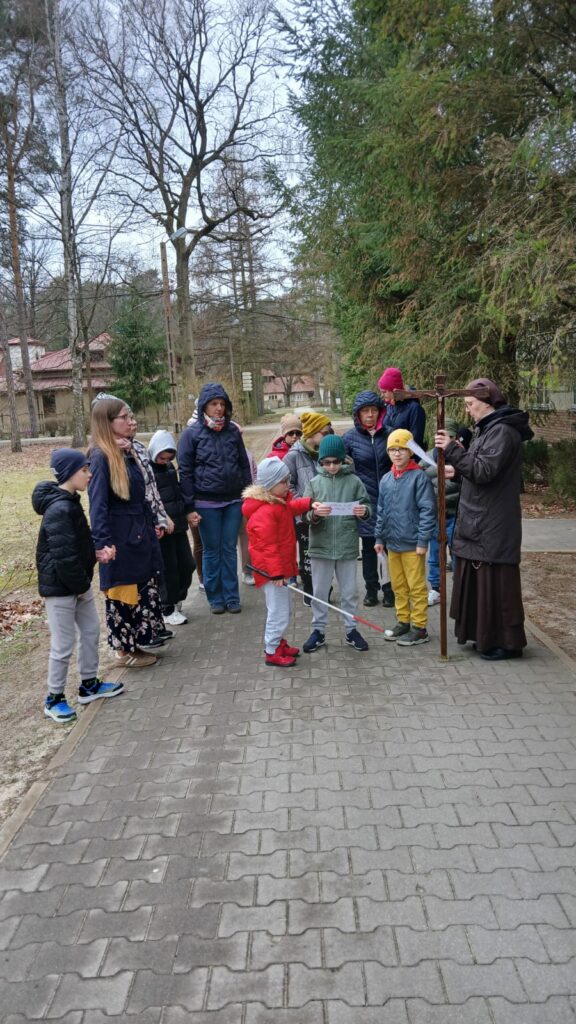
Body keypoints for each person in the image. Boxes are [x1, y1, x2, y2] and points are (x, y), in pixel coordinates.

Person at [435, 377, 533, 660]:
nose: (468, 410)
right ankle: (482, 636)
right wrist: (459, 471)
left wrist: (452, 449)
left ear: (487, 402)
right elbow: (480, 472)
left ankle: (505, 642)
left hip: (493, 523)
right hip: (481, 518)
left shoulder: (502, 432)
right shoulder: (488, 430)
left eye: (471, 404)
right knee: (480, 583)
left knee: (496, 585)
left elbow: (485, 472)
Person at [33, 449, 123, 723]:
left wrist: (95, 554)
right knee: (63, 645)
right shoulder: (59, 509)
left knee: (90, 631)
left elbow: (75, 546)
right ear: (70, 474)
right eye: (84, 470)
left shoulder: (70, 501)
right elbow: (63, 556)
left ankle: (89, 685)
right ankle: (54, 698)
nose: (90, 474)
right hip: (62, 588)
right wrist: (82, 584)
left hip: (78, 583)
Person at [88, 397, 165, 668]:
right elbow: (97, 505)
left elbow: (141, 492)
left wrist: (153, 520)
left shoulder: (126, 450)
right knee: (124, 593)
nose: (131, 421)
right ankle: (125, 651)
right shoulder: (100, 457)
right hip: (120, 539)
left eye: (131, 415)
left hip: (138, 532)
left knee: (142, 589)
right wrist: (103, 543)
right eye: (124, 417)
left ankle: (139, 643)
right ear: (107, 423)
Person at [177, 382, 253, 614]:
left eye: (222, 404)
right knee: (212, 550)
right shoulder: (191, 434)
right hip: (205, 503)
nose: (218, 408)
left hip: (232, 501)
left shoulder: (232, 432)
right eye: (213, 404)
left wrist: (248, 493)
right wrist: (189, 506)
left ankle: (232, 596)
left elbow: (243, 464)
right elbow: (185, 471)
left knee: (229, 548)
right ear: (204, 407)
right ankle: (215, 597)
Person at [242, 456, 317, 667]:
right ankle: (272, 650)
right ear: (269, 485)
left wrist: (310, 503)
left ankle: (279, 642)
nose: (288, 485)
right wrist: (276, 574)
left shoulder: (278, 503)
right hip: (272, 573)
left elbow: (292, 508)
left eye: (288, 480)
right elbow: (268, 547)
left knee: (285, 609)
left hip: (281, 569)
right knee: (278, 612)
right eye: (283, 482)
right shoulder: (264, 512)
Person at [302, 434, 372, 653]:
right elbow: (303, 514)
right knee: (319, 592)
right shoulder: (314, 483)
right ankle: (318, 630)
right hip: (320, 547)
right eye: (327, 462)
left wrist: (364, 512)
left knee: (350, 592)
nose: (332, 466)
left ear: (343, 460)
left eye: (336, 461)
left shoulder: (354, 481)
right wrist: (314, 514)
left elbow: (367, 506)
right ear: (321, 462)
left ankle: (351, 629)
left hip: (346, 545)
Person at [374, 429, 437, 646]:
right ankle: (403, 621)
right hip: (393, 544)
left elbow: (428, 510)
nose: (397, 454)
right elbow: (381, 511)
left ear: (410, 451)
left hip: (412, 545)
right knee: (398, 585)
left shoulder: (419, 477)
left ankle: (419, 627)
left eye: (402, 449)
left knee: (416, 586)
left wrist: (422, 541)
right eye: (393, 449)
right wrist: (379, 538)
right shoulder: (386, 479)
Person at [342, 390, 394, 608]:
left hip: (390, 499)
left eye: (374, 410)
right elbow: (343, 469)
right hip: (365, 501)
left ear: (380, 412)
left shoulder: (390, 434)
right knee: (370, 547)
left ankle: (390, 589)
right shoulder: (349, 438)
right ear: (358, 415)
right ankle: (371, 590)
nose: (370, 415)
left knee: (391, 548)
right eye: (365, 411)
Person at [284, 411, 333, 604]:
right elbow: (287, 485)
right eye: (324, 433)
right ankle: (310, 590)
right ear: (312, 433)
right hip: (303, 516)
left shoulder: (326, 453)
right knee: (307, 554)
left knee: (326, 554)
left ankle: (325, 589)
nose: (328, 436)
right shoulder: (293, 456)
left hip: (325, 514)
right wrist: (303, 503)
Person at [148, 430, 196, 626]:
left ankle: (176, 599)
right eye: (161, 457)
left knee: (187, 564)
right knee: (169, 569)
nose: (164, 461)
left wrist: (187, 512)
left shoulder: (169, 468)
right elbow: (151, 500)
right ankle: (167, 608)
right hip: (163, 528)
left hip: (178, 526)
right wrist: (161, 519)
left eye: (168, 458)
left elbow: (177, 494)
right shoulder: (148, 472)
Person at [424, 418, 464, 606]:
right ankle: (436, 589)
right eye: (441, 436)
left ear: (456, 438)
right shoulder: (426, 458)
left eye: (449, 436)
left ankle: (459, 589)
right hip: (434, 517)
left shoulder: (462, 457)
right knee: (434, 556)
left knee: (456, 555)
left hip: (454, 515)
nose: (444, 440)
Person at [378, 367, 426, 450]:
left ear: (394, 390)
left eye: (384, 392)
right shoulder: (388, 407)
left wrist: (390, 431)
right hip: (390, 456)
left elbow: (415, 441)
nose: (382, 395)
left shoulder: (415, 409)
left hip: (408, 458)